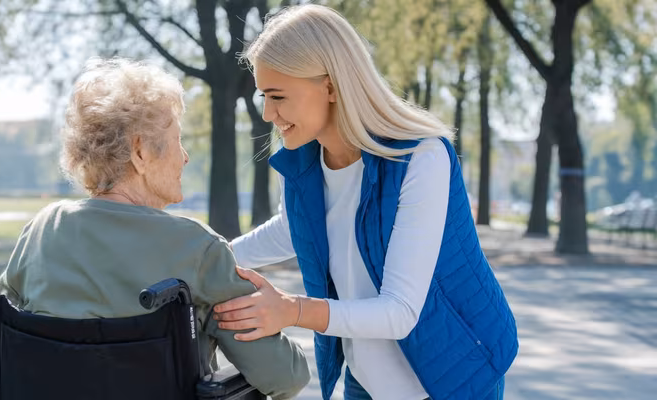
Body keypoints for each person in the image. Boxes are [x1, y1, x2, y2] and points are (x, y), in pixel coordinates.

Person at [212, 5, 518, 400]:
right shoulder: (303, 160)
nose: (268, 113)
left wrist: (293, 310)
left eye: (278, 96)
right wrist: (208, 258)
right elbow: (293, 228)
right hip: (367, 377)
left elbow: (399, 311)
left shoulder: (421, 158)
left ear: (331, 87)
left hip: (454, 376)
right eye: (263, 96)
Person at [0, 57, 310, 399]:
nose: (185, 157)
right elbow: (285, 377)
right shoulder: (196, 249)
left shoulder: (42, 231)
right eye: (177, 140)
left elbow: (10, 332)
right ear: (140, 152)